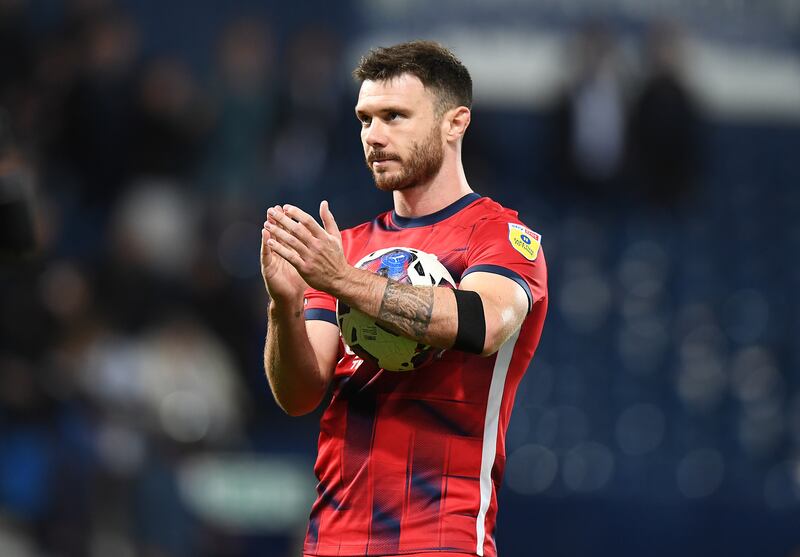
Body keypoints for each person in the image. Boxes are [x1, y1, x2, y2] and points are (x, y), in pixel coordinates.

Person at [260, 40, 548, 557]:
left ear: (455, 123)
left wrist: (342, 280)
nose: (374, 136)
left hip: (441, 537)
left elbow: (480, 323)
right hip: (332, 538)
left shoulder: (500, 237)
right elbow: (298, 396)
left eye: (394, 116)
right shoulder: (345, 248)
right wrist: (283, 308)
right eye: (365, 119)